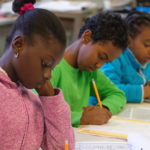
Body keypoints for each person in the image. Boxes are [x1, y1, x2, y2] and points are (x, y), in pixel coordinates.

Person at [0, 0, 75, 149]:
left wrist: (51, 99)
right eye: (45, 64)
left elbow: (61, 147)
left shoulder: (34, 101)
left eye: (52, 68)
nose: (48, 75)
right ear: (18, 45)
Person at [33, 12, 128, 127]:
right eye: (101, 57)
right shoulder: (51, 68)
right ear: (86, 37)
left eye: (106, 62)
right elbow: (35, 111)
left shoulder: (90, 71)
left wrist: (102, 110)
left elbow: (118, 94)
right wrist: (81, 117)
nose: (100, 65)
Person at [101, 11, 150, 103]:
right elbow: (108, 89)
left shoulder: (146, 59)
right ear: (129, 40)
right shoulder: (115, 57)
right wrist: (144, 91)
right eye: (147, 45)